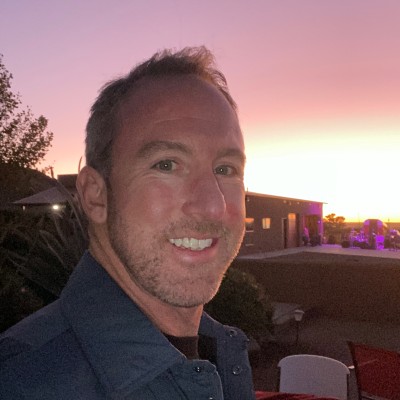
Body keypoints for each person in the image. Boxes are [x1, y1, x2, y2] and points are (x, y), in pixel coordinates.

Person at [0, 47, 255, 399]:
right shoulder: (20, 383)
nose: (212, 206)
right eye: (166, 165)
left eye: (225, 169)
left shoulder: (225, 355)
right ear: (95, 196)